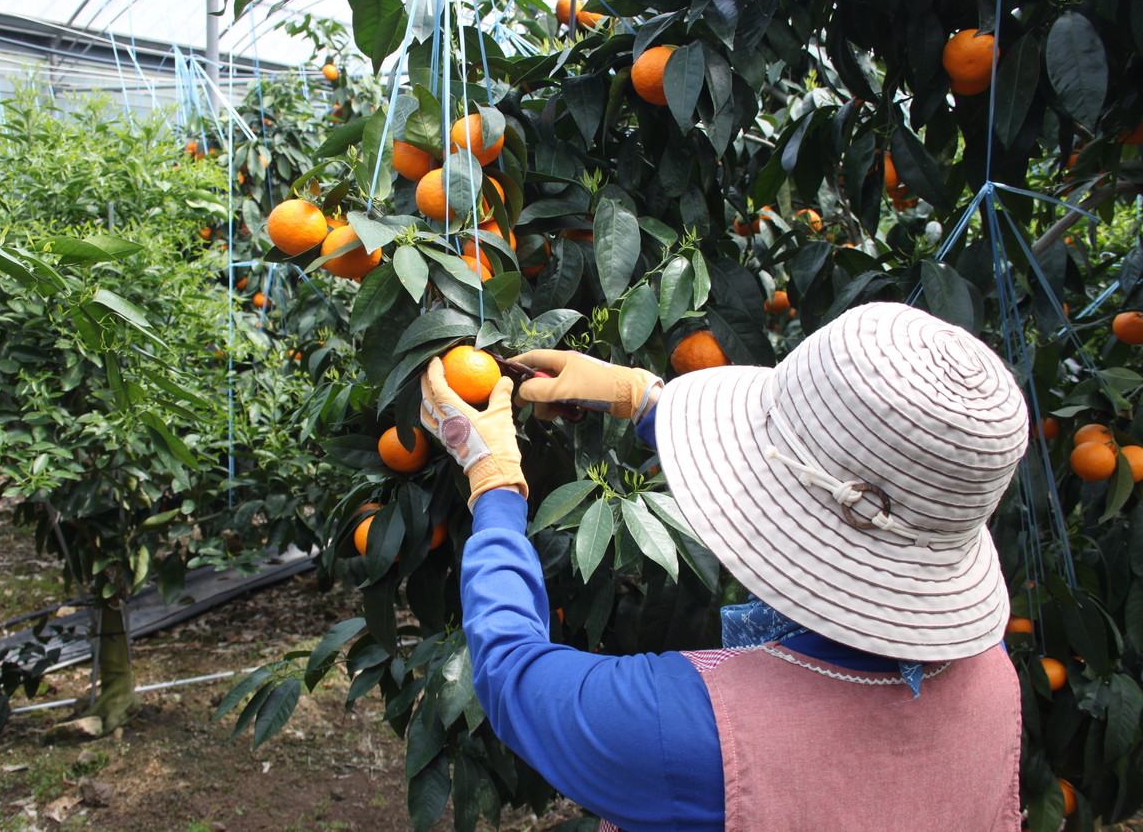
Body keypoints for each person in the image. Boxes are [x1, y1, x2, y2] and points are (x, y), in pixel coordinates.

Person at [418, 302, 1026, 831]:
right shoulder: (990, 673)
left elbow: (510, 673)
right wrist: (643, 399)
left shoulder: (692, 734)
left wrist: (493, 484)